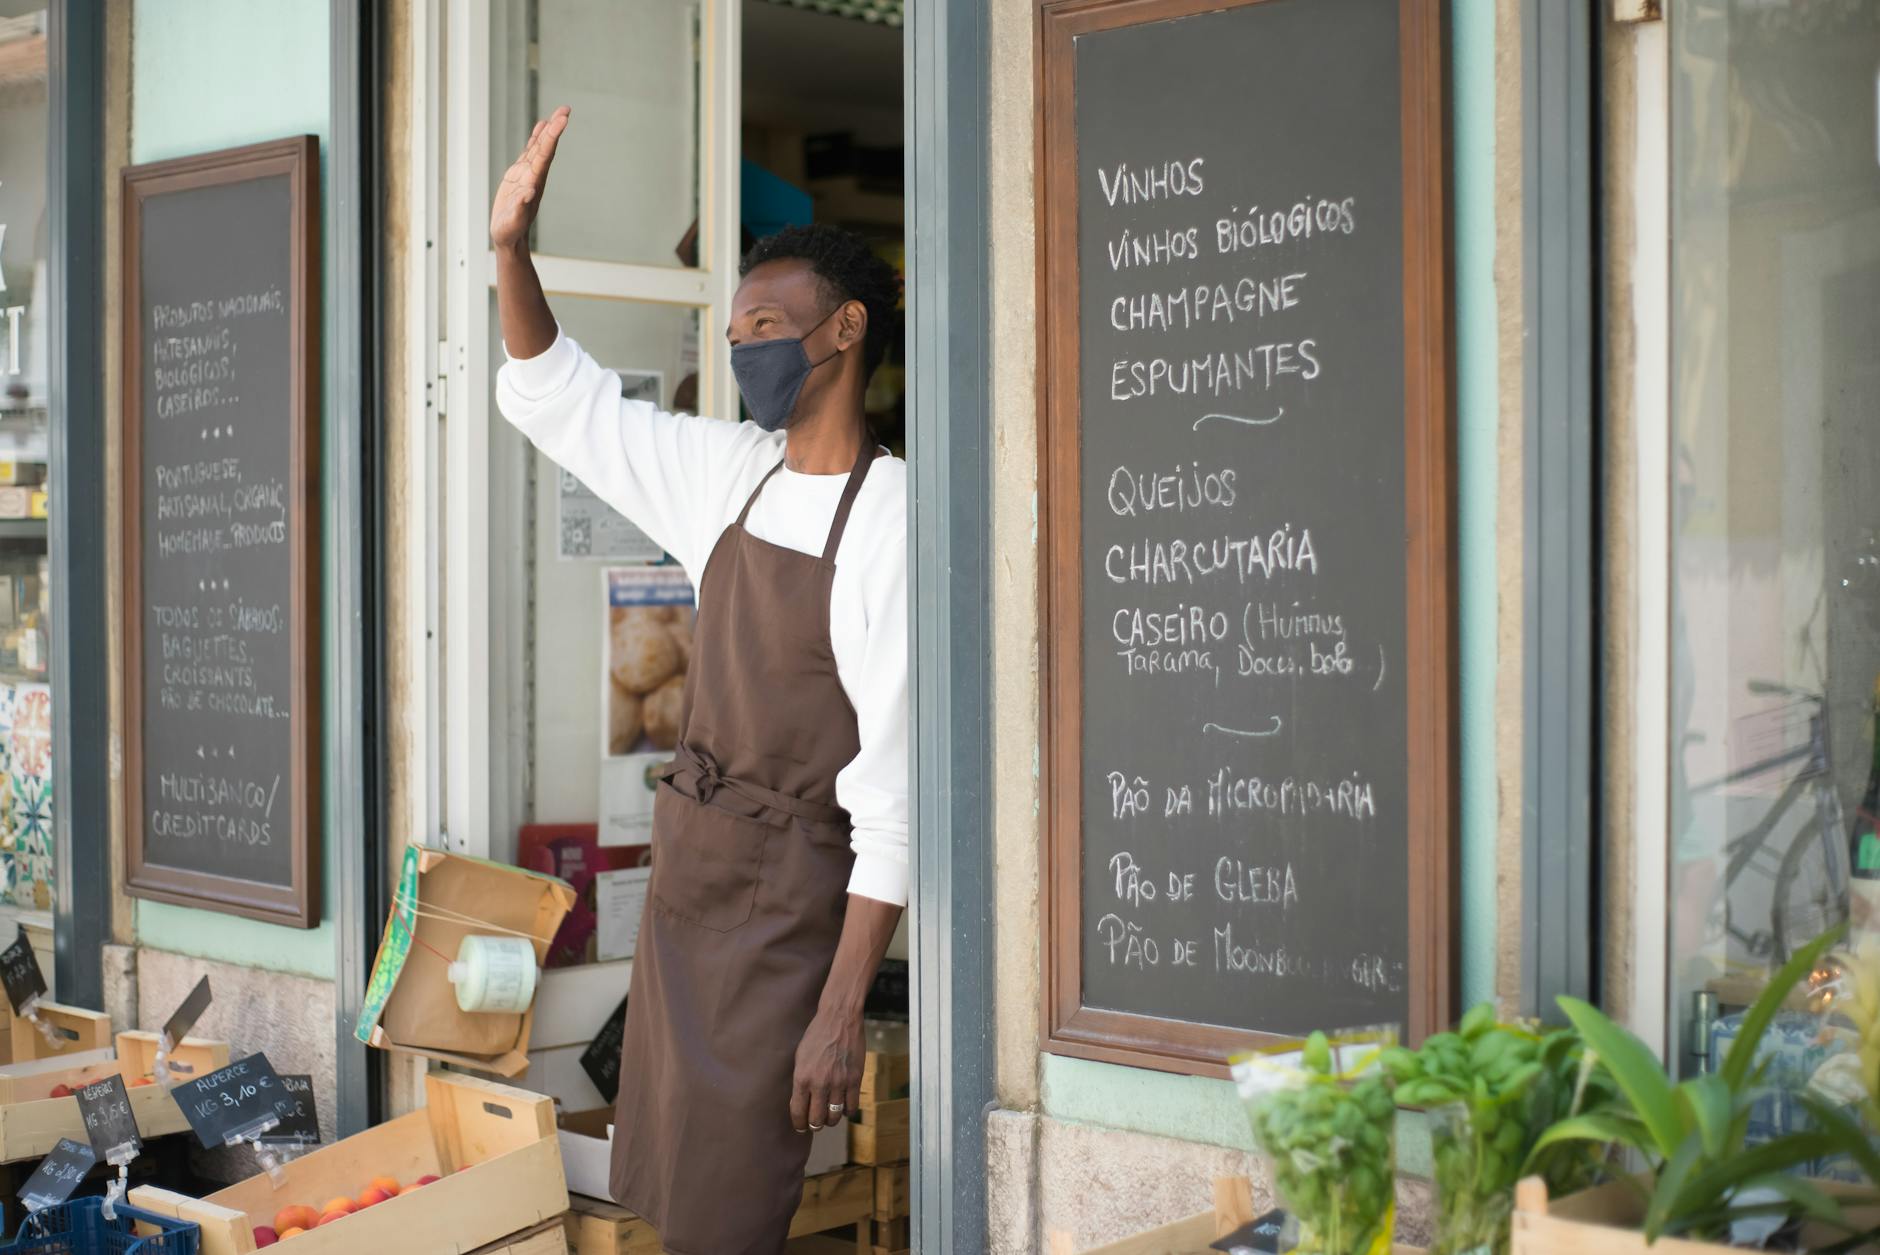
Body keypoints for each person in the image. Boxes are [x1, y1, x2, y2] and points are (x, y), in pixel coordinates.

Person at [491, 108, 908, 1255]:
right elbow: (561, 402)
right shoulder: (729, 474)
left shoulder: (889, 520)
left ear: (845, 331)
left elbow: (893, 800)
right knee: (662, 1196)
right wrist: (510, 254)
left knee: (733, 1211)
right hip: (687, 899)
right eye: (734, 333)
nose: (745, 351)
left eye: (769, 325)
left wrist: (836, 1016)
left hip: (786, 918)